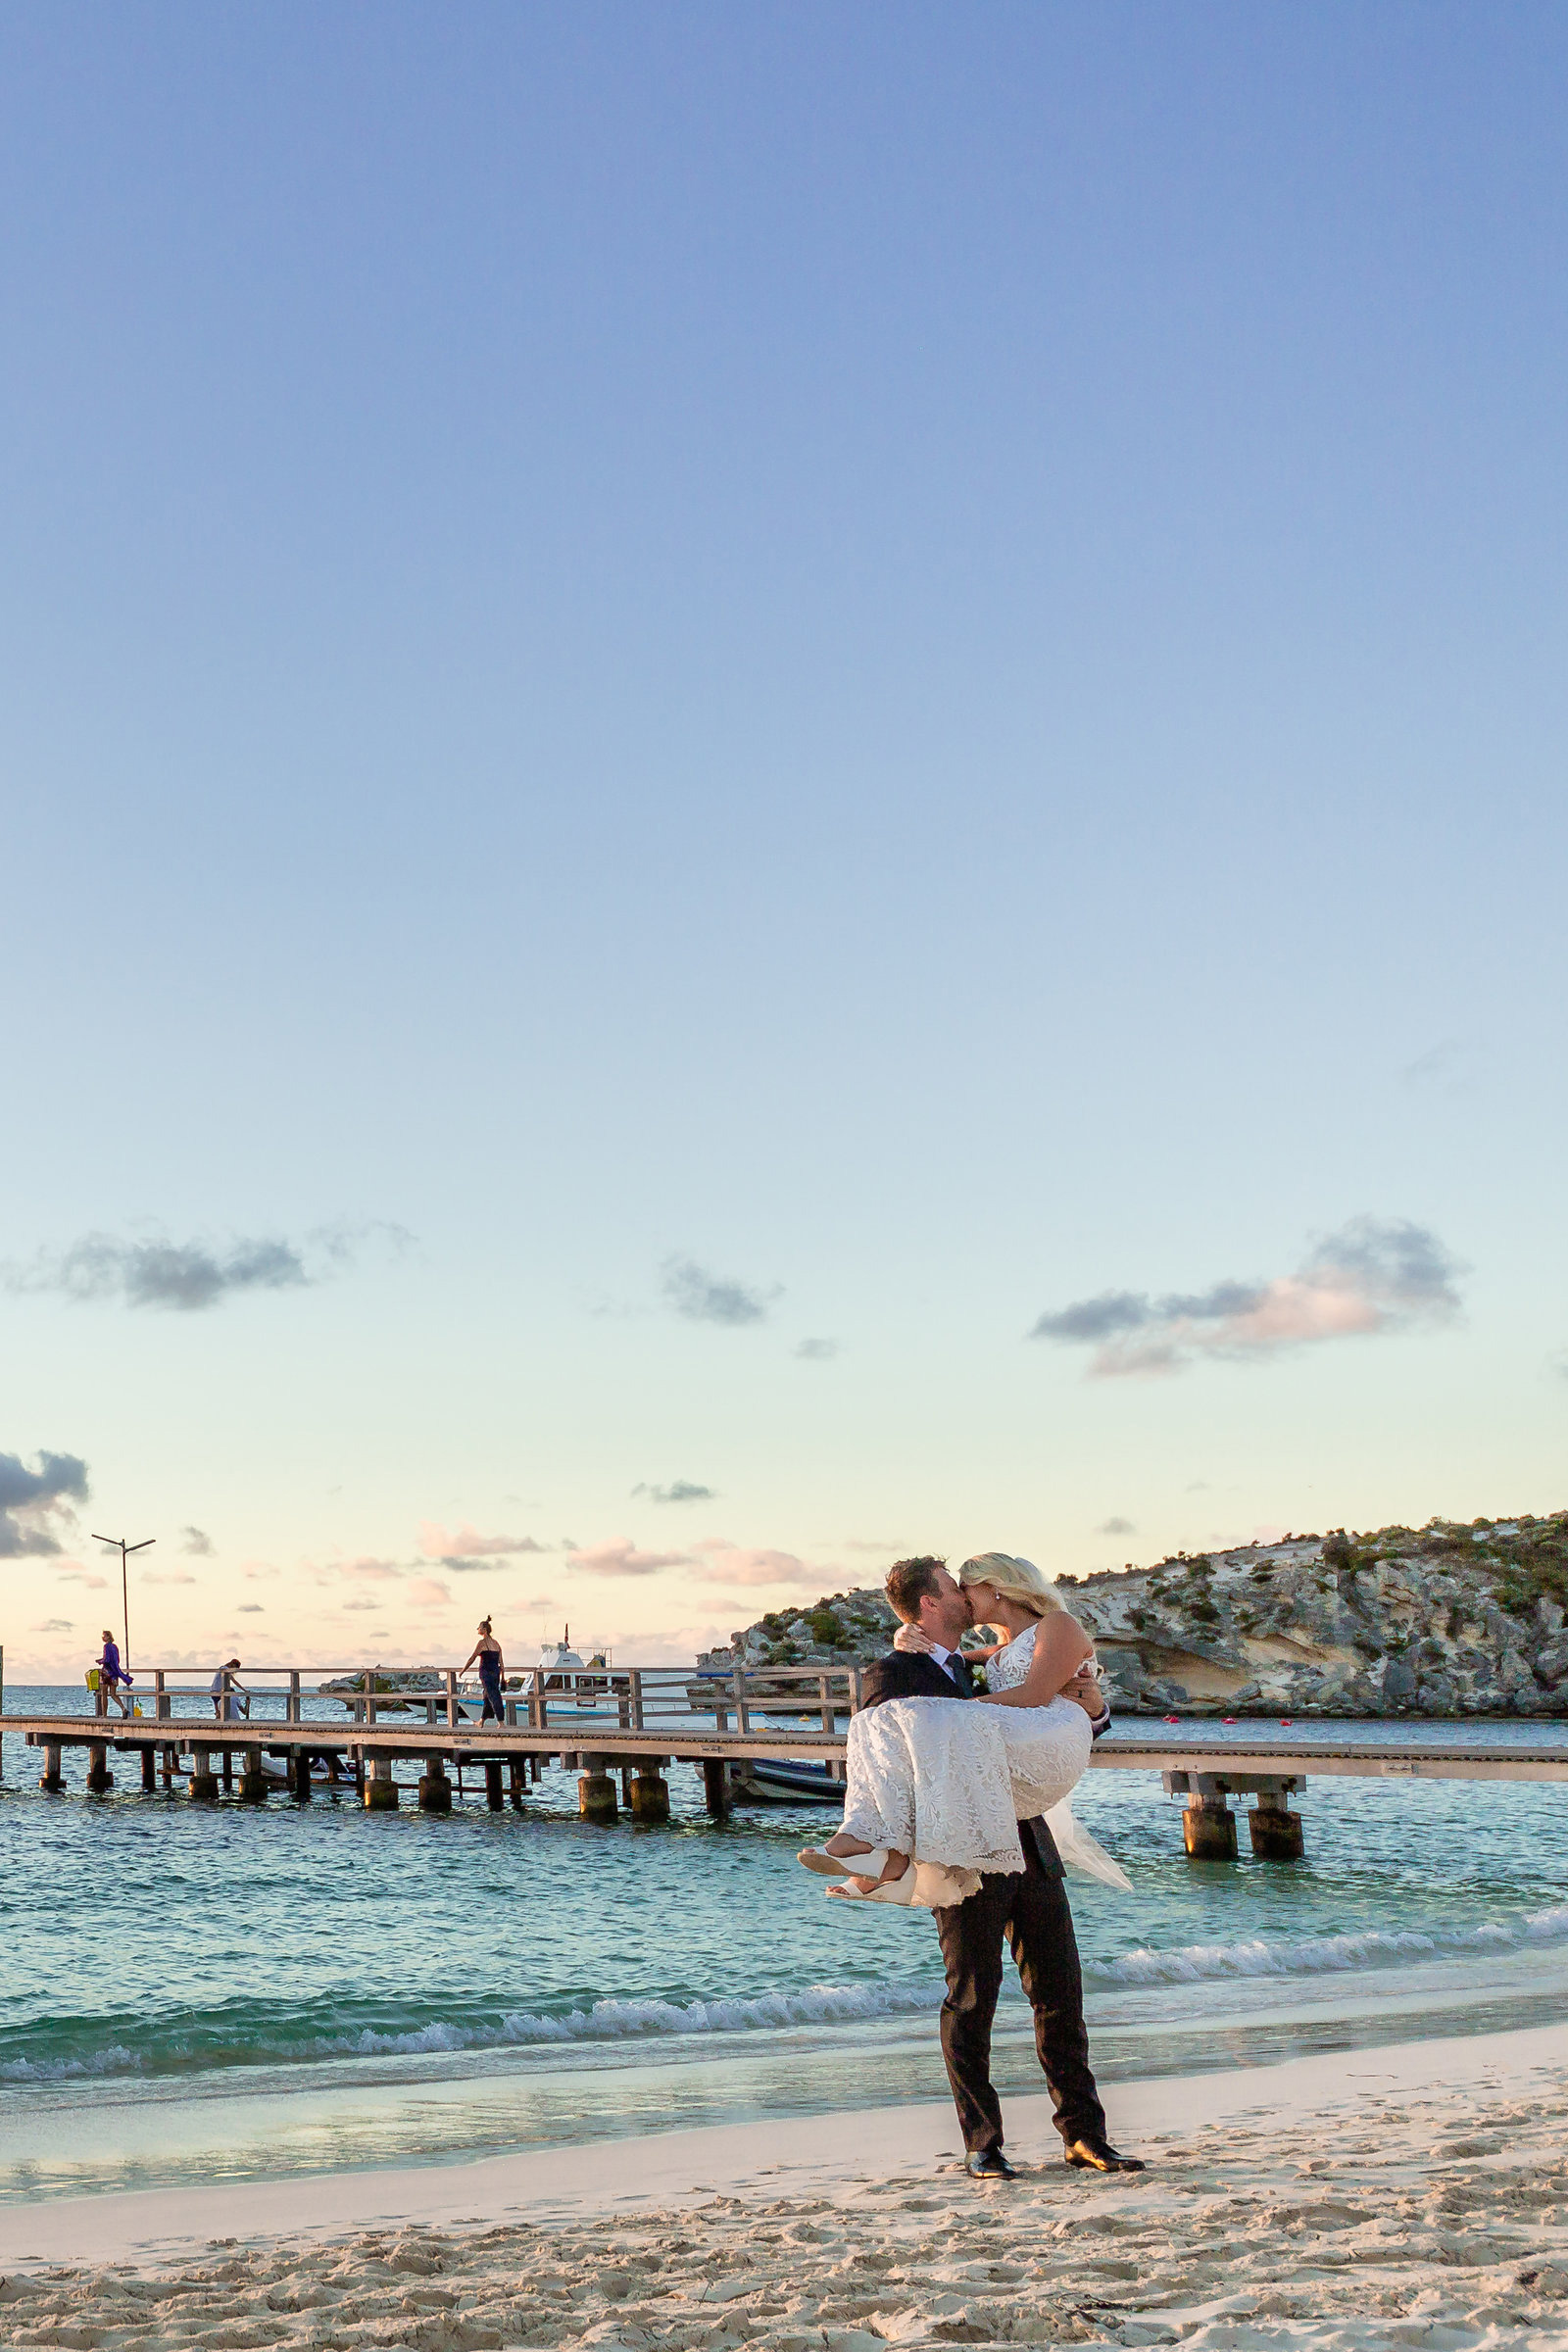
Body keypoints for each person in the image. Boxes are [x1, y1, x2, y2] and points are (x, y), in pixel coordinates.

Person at [802, 1553, 1144, 2182]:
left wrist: (1092, 1704)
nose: (963, 1595)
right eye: (952, 1589)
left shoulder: (978, 1665)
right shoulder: (895, 1671)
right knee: (971, 1998)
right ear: (932, 1603)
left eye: (969, 1586)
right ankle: (983, 2144)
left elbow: (1047, 1717)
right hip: (962, 1853)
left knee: (1060, 1994)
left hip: (1030, 1842)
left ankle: (1085, 2137)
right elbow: (888, 1756)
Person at [461, 1618, 507, 1724]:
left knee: (494, 1696)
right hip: (496, 1672)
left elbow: (472, 1658)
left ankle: (501, 1722)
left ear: (484, 1629)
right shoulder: (496, 1643)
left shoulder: (482, 1643)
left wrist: (463, 1671)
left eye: (479, 1627)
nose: (477, 1629)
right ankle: (481, 1721)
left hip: (486, 1672)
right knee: (487, 1696)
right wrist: (502, 1677)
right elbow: (502, 1664)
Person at [97, 1631, 133, 1718]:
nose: (103, 1638)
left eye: (104, 1636)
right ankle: (123, 1708)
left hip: (106, 1672)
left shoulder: (106, 1646)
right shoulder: (115, 1647)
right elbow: (117, 1660)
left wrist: (100, 1661)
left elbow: (107, 1659)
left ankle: (104, 1715)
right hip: (114, 1673)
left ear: (108, 1637)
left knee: (104, 1694)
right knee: (113, 1694)